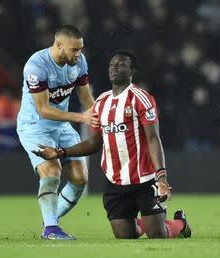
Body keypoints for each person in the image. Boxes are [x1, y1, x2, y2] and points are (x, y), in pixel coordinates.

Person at [33, 50, 191, 239]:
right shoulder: (101, 102)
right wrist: (59, 152)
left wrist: (162, 178)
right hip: (115, 182)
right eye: (112, 64)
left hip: (145, 180)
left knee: (157, 234)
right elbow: (93, 143)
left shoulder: (141, 98)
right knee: (125, 236)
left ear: (132, 70)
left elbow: (153, 139)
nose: (114, 68)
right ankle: (145, 223)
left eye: (121, 64)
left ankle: (180, 223)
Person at [16, 25, 99, 240]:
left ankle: (49, 220)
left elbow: (86, 99)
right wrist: (81, 117)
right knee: (52, 170)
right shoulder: (36, 65)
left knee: (80, 179)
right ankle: (51, 229)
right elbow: (43, 110)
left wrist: (100, 120)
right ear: (59, 45)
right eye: (74, 50)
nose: (78, 54)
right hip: (34, 126)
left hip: (61, 126)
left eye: (80, 49)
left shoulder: (78, 62)